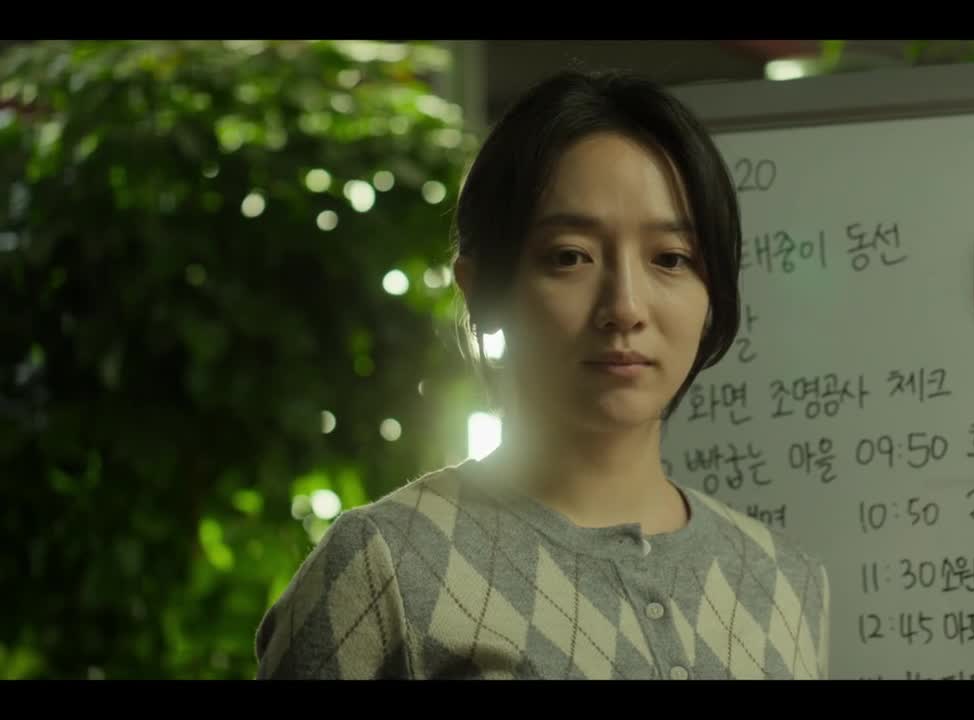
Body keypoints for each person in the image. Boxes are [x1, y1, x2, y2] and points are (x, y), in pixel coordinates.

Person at [254, 69, 830, 680]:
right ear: (483, 292)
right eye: (569, 256)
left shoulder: (786, 583)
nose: (625, 308)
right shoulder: (384, 568)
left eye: (670, 258)